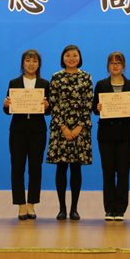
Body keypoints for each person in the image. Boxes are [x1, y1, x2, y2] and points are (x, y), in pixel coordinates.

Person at [46, 44, 93, 221]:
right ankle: (62, 208)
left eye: (74, 55)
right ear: (62, 58)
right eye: (68, 55)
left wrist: (79, 127)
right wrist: (64, 127)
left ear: (80, 58)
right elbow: (53, 104)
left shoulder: (86, 77)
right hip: (61, 129)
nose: (71, 58)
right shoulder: (56, 77)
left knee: (76, 168)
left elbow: (88, 103)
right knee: (61, 168)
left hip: (80, 129)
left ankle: (74, 209)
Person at [3, 49, 50, 220]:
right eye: (28, 61)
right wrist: (6, 104)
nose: (31, 64)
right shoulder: (14, 83)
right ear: (23, 63)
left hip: (38, 131)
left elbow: (49, 111)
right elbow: (8, 110)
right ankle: (21, 204)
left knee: (35, 168)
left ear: (39, 64)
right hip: (18, 130)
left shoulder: (45, 83)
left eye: (35, 61)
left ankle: (31, 204)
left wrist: (47, 106)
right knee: (17, 167)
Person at [92, 51, 130, 221]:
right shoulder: (100, 85)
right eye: (112, 63)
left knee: (123, 172)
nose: (115, 65)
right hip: (105, 135)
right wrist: (98, 108)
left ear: (123, 66)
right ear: (108, 66)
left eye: (118, 63)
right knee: (108, 173)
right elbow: (94, 109)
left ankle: (120, 209)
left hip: (126, 135)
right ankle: (109, 208)